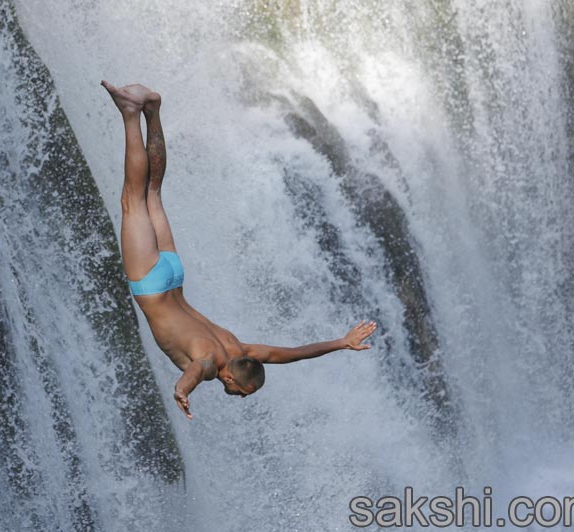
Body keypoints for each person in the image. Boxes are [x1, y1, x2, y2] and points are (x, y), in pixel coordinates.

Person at [101, 80, 377, 420]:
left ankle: (153, 111)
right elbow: (194, 373)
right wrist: (181, 390)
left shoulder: (242, 349)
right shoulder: (211, 362)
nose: (238, 395)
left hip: (174, 276)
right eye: (241, 390)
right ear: (231, 376)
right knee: (135, 199)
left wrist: (340, 342)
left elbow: (293, 353)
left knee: (154, 193)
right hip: (155, 285)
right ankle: (132, 113)